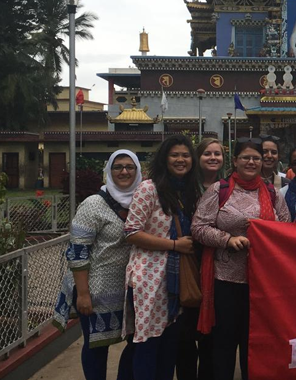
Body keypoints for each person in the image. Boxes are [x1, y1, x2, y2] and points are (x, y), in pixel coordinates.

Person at [192, 140, 291, 380]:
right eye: (245, 157)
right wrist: (227, 239)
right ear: (235, 161)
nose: (251, 162)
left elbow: (287, 228)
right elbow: (198, 227)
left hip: (262, 283)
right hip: (225, 280)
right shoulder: (219, 190)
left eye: (256, 158)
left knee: (255, 343)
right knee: (224, 342)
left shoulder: (272, 193)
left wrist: (267, 233)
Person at [53, 149, 141, 380]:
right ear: (109, 172)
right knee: (96, 346)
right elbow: (77, 252)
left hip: (130, 290)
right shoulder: (93, 204)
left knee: (136, 343)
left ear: (138, 171)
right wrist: (83, 294)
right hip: (95, 290)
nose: (124, 172)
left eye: (129, 167)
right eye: (118, 167)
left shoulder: (143, 202)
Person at [124, 135, 199, 380]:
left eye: (185, 155)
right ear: (164, 159)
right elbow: (132, 231)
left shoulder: (189, 192)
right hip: (149, 279)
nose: (180, 160)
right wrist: (174, 245)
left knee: (169, 347)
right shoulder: (149, 188)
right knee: (148, 344)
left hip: (176, 280)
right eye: (174, 155)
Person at [179, 139, 221, 380]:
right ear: (198, 157)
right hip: (188, 260)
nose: (212, 158)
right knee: (185, 330)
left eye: (217, 153)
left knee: (211, 332)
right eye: (207, 153)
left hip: (217, 262)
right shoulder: (185, 188)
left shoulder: (229, 187)